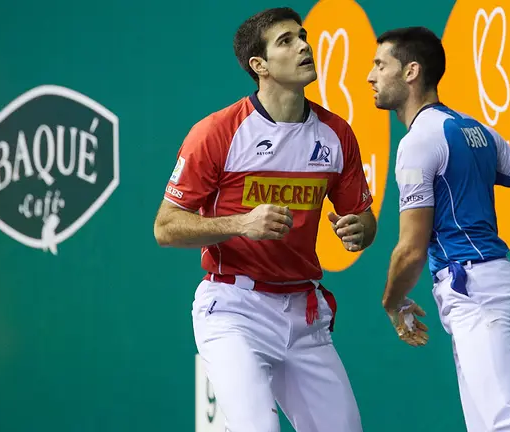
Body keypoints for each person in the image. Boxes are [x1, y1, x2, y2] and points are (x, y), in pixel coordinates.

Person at [153, 7, 376, 432]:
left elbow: (363, 221)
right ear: (260, 66)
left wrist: (359, 229)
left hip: (304, 313)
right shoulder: (218, 132)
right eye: (286, 41)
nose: (304, 46)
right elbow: (165, 227)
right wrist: (240, 224)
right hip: (234, 310)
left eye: (303, 36)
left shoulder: (336, 134)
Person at [367, 26, 510, 432]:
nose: (371, 76)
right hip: (488, 284)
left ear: (411, 72)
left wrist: (392, 302)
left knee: (505, 418)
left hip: (474, 287)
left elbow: (410, 249)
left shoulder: (419, 141)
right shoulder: (476, 132)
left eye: (380, 65)